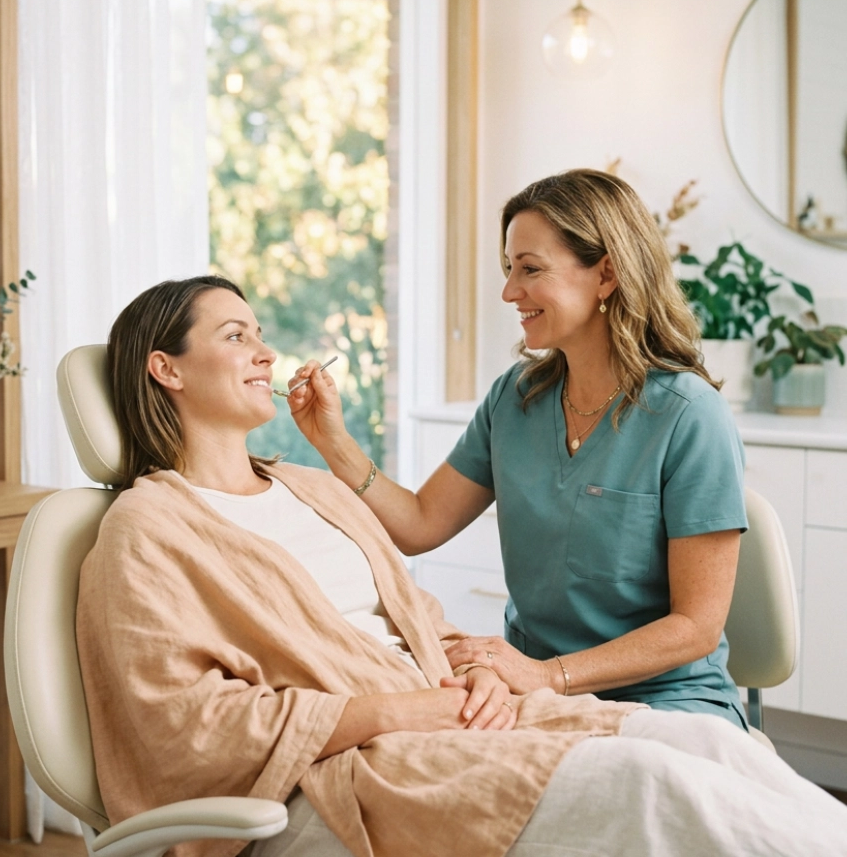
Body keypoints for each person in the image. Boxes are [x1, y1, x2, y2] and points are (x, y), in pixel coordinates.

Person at [75, 274, 847, 857]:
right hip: (365, 756)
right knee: (651, 787)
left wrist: (475, 670)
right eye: (236, 336)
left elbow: (415, 617)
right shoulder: (148, 529)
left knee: (709, 746)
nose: (266, 351)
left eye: (259, 333)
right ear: (166, 370)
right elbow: (182, 726)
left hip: (460, 708)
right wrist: (402, 712)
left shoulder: (309, 489)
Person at [289, 169, 752, 731]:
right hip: (533, 694)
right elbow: (419, 523)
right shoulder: (517, 397)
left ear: (606, 274)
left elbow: (696, 627)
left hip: (665, 700)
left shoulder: (687, 414)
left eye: (530, 270)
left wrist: (547, 675)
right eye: (509, 270)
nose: (510, 292)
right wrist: (333, 442)